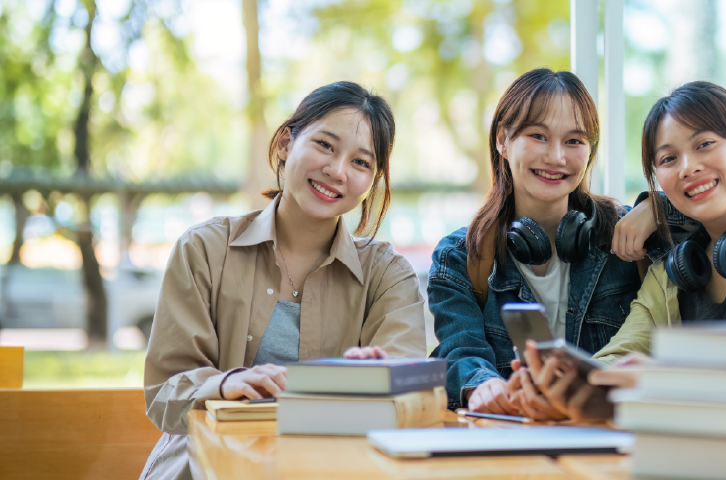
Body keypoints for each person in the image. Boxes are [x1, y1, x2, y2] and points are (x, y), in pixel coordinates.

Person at [140, 82, 425, 480]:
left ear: (373, 182)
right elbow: (164, 391)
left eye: (361, 163)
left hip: (335, 469)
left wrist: (382, 380)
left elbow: (415, 392)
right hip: (202, 467)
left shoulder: (388, 274)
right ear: (285, 144)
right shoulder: (205, 249)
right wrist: (228, 383)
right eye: (325, 145)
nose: (337, 171)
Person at [510, 81, 726, 420]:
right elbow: (619, 356)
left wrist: (658, 379)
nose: (687, 168)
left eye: (705, 144)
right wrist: (562, 387)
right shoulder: (672, 271)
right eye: (668, 158)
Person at [427, 68, 692, 416]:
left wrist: (657, 207)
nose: (556, 157)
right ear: (502, 140)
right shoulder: (460, 256)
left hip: (606, 437)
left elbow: (719, 217)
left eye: (574, 141)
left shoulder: (625, 233)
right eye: (538, 135)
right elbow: (460, 349)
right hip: (511, 437)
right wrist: (483, 385)